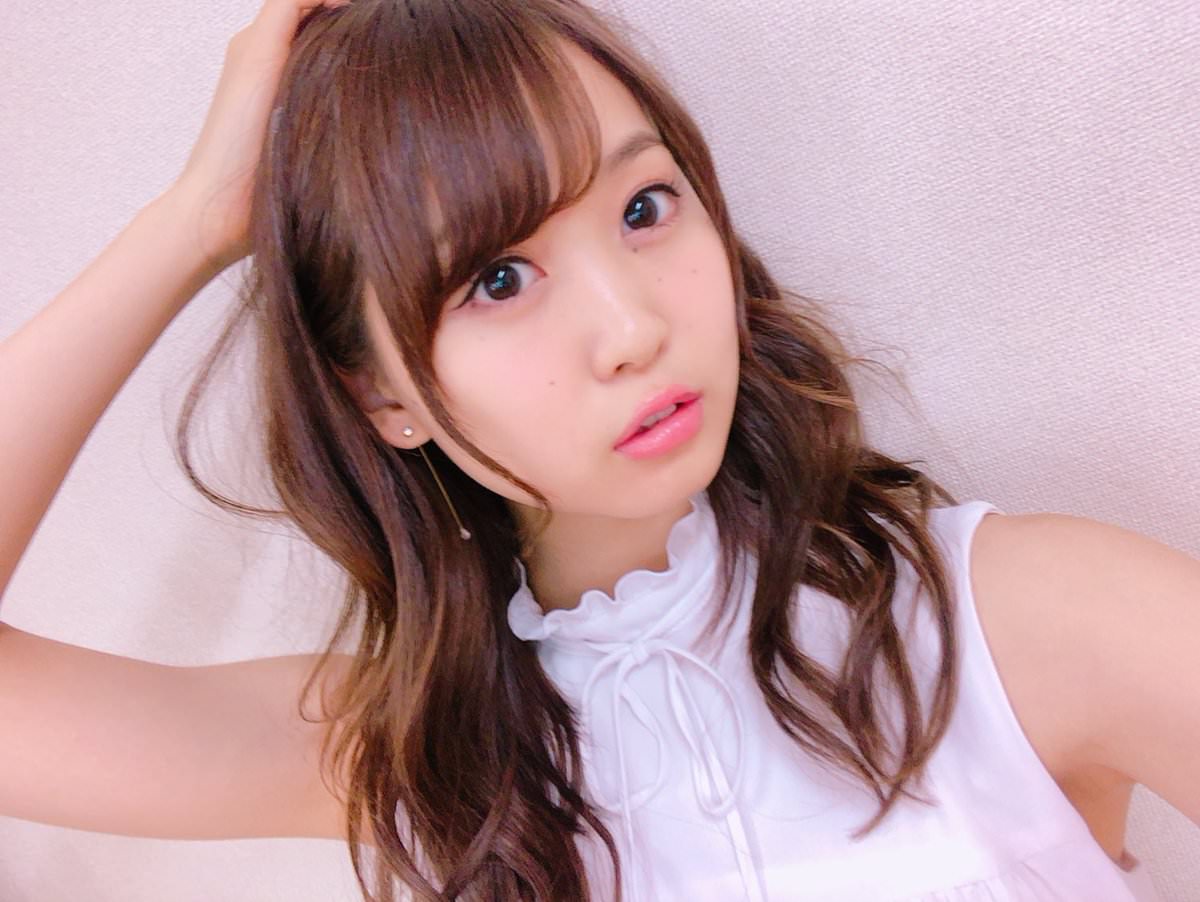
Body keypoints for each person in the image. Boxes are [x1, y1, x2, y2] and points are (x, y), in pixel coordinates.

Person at [0, 0, 1195, 899]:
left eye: (643, 207)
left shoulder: (1018, 623)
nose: (632, 329)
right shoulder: (429, 758)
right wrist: (194, 221)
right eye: (498, 278)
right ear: (382, 396)